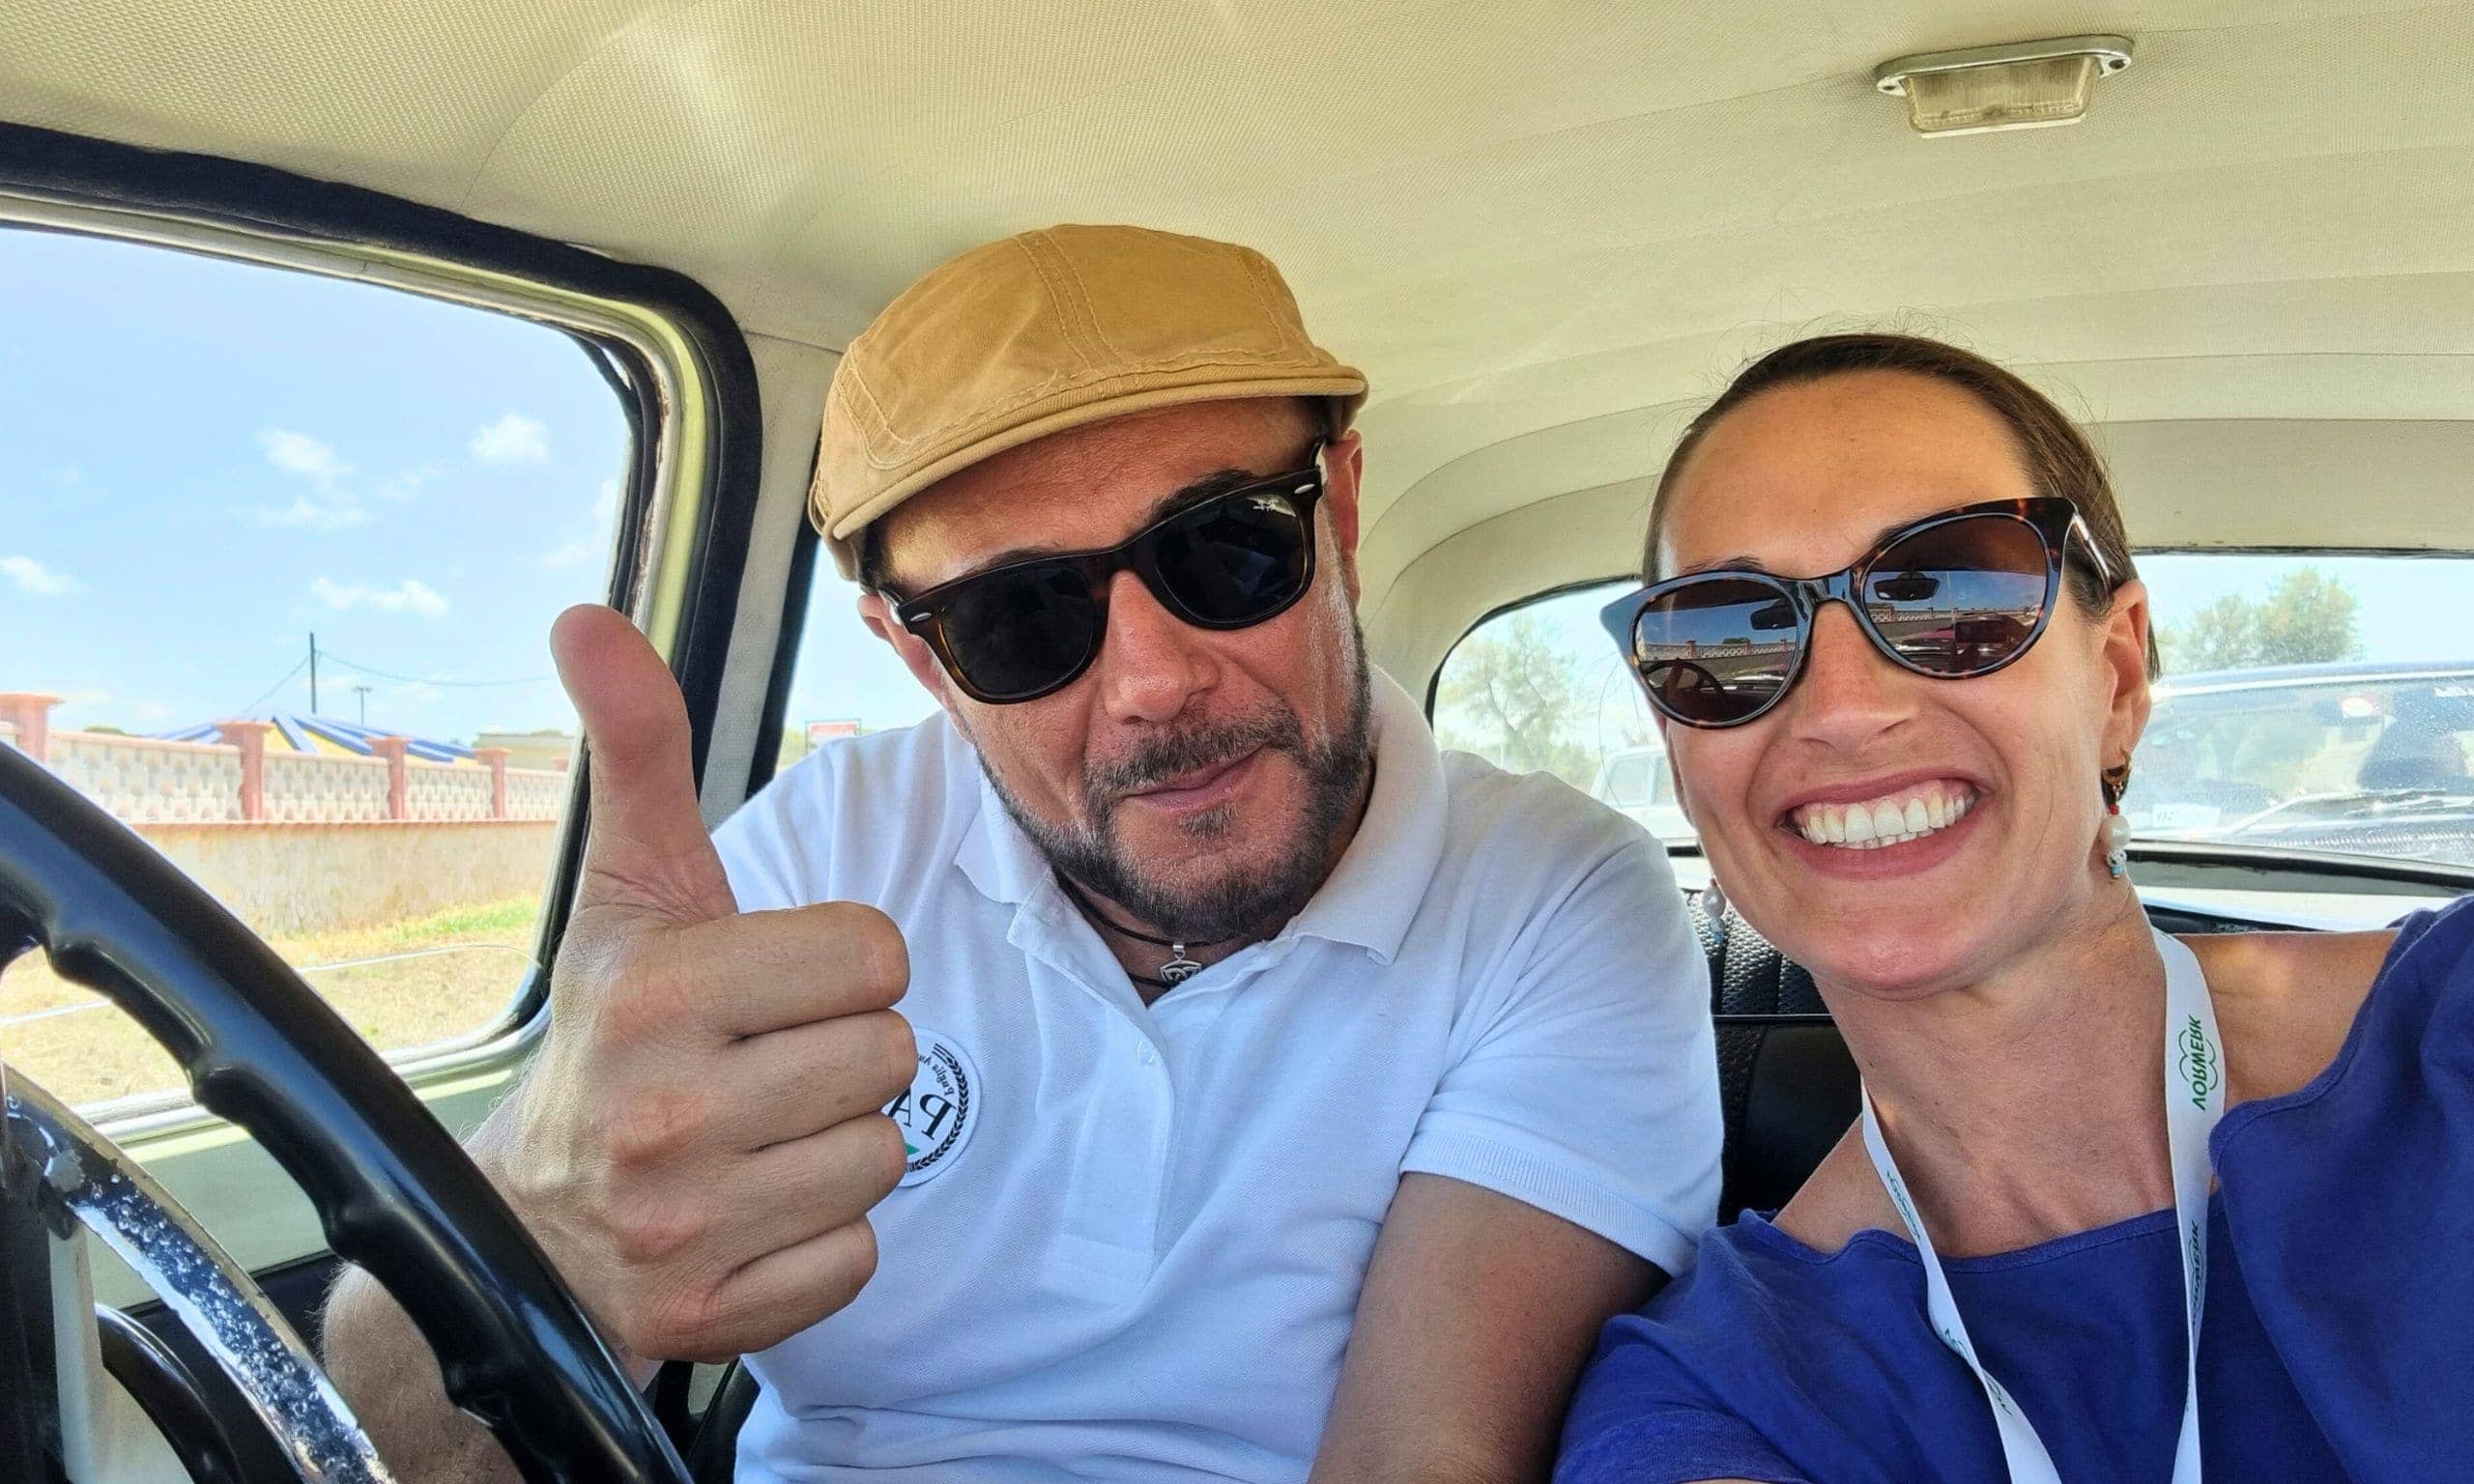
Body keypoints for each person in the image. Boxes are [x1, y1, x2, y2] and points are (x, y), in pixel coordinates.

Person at [323, 223, 1723, 1482]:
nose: (1155, 681)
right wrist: (545, 1235)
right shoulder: (820, 849)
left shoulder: (1551, 894)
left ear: (1340, 515)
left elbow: (1422, 1455)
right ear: (916, 657)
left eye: (1226, 551)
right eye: (1019, 619)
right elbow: (395, 1445)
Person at [1555, 332, 2472, 1483]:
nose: (1839, 709)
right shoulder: (1721, 1390)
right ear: (1679, 747)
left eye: (1951, 593)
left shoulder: (2448, 1040)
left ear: (2117, 682)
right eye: (1724, 634)